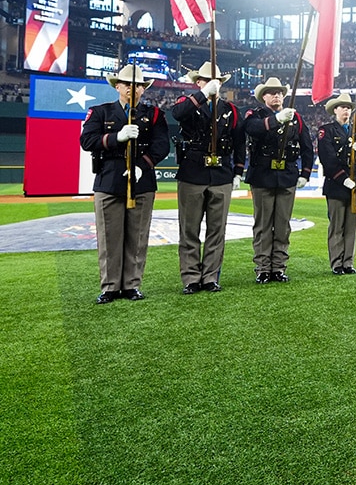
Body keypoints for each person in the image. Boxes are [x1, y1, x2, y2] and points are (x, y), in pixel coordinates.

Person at [79, 64, 170, 303]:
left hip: (142, 181)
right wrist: (116, 137)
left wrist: (142, 165)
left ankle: (131, 285)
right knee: (109, 237)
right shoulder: (100, 112)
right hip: (109, 180)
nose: (133, 89)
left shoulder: (154, 115)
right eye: (128, 84)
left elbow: (162, 145)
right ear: (117, 86)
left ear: (143, 89)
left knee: (137, 237)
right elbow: (87, 140)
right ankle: (110, 287)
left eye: (138, 85)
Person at [171, 61, 246, 294]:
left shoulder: (231, 110)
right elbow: (177, 114)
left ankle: (211, 276)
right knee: (189, 230)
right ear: (198, 82)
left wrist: (238, 171)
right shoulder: (188, 102)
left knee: (217, 230)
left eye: (217, 82)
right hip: (193, 173)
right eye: (207, 81)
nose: (214, 84)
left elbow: (239, 143)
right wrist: (203, 95)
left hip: (221, 174)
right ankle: (191, 277)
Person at [244, 77, 313, 283]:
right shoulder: (255, 114)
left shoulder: (296, 118)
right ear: (263, 96)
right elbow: (251, 128)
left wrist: (305, 173)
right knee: (263, 225)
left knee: (282, 226)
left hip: (287, 176)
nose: (277, 95)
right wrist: (277, 120)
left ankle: (279, 267)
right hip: (263, 176)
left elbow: (307, 147)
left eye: (280, 92)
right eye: (272, 92)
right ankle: (263, 268)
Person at [317, 92, 356, 275]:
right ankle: (336, 263)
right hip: (336, 184)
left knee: (351, 227)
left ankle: (348, 262)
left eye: (349, 108)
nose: (346, 111)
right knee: (336, 226)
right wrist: (343, 179)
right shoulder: (326, 131)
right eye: (343, 107)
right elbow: (328, 159)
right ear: (335, 110)